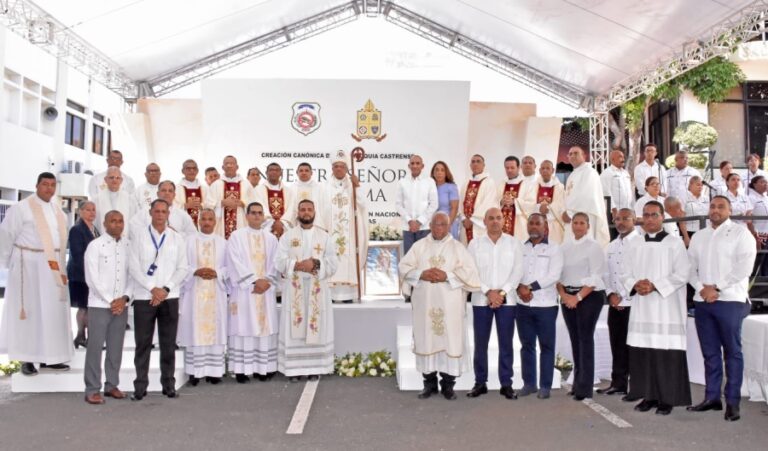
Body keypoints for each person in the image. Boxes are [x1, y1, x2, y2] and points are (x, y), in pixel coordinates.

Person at [687, 196, 757, 422]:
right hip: (703, 300)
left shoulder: (740, 234)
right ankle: (712, 398)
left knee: (732, 352)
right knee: (710, 353)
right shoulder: (699, 236)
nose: (715, 210)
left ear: (730, 210)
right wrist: (702, 288)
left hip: (731, 300)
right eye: (712, 206)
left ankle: (733, 402)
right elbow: (690, 268)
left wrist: (716, 287)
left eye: (720, 207)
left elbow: (744, 267)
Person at [399, 212, 481, 400]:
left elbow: (471, 274)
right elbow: (403, 267)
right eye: (436, 224)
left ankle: (448, 385)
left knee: (449, 341)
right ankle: (429, 384)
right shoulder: (419, 247)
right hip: (425, 306)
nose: (439, 228)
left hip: (450, 307)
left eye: (443, 224)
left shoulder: (458, 248)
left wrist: (447, 276)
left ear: (449, 226)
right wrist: (421, 274)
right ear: (430, 225)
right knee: (426, 339)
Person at [621, 201, 692, 415]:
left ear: (662, 217)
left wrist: (655, 286)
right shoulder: (634, 243)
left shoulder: (674, 243)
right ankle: (648, 396)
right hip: (642, 306)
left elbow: (682, 273)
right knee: (644, 352)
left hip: (666, 307)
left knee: (665, 353)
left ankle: (667, 399)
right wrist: (635, 284)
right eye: (646, 215)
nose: (650, 219)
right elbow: (624, 272)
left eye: (654, 215)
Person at [0, 172, 73, 376]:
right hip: (29, 266)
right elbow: (5, 235)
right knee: (31, 313)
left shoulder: (58, 211)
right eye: (45, 184)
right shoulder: (21, 209)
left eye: (52, 185)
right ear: (37, 185)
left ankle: (52, 357)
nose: (49, 188)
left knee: (52, 314)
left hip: (53, 269)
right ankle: (28, 358)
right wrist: (7, 262)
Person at [128, 199, 189, 400]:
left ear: (168, 213)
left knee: (168, 343)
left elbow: (183, 268)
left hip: (169, 297)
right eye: (157, 211)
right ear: (150, 212)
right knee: (143, 343)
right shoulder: (138, 237)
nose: (160, 214)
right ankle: (140, 385)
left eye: (164, 211)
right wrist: (152, 288)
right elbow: (134, 267)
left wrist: (165, 289)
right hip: (145, 297)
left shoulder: (176, 238)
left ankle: (168, 384)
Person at [275, 200, 339, 381]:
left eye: (309, 209)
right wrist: (297, 265)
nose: (306, 212)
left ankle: (315, 368)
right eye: (303, 209)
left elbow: (333, 263)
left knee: (315, 324)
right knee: (295, 325)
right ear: (298, 212)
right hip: (295, 288)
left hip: (317, 289)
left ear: (314, 212)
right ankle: (294, 370)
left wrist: (316, 264)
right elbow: (278, 261)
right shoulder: (288, 236)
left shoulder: (324, 237)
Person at [467, 208, 523, 399]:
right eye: (491, 218)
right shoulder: (475, 244)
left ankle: (506, 383)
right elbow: (470, 272)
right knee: (480, 343)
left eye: (498, 218)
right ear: (484, 221)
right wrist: (488, 292)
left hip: (507, 301)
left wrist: (501, 292)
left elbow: (518, 271)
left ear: (504, 220)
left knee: (506, 343)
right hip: (481, 299)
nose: (495, 221)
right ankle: (480, 382)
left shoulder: (513, 243)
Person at [83, 210, 132, 404]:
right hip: (99, 304)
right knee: (95, 347)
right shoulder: (95, 246)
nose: (117, 224)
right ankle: (92, 389)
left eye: (120, 221)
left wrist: (125, 299)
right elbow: (92, 278)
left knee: (115, 347)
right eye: (113, 221)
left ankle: (111, 385)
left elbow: (132, 275)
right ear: (105, 224)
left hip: (121, 305)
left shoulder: (129, 245)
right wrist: (112, 300)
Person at [226, 202, 280, 383]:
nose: (257, 216)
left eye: (260, 213)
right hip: (245, 292)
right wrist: (253, 281)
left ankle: (263, 369)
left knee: (264, 328)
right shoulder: (236, 236)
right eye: (253, 213)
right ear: (247, 216)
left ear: (263, 216)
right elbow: (233, 261)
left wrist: (267, 281)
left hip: (265, 291)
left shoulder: (271, 239)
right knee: (244, 326)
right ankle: (242, 370)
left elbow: (276, 263)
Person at [557, 212, 607, 400]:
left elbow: (596, 277)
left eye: (582, 223)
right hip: (567, 296)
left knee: (585, 339)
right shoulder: (564, 247)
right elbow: (558, 275)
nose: (578, 226)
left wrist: (577, 297)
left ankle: (585, 387)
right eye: (575, 223)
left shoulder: (594, 247)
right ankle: (577, 383)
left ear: (587, 226)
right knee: (575, 339)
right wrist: (564, 295)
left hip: (588, 296)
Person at [515, 213, 564, 399]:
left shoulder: (554, 249)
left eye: (538, 224)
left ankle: (545, 386)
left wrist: (529, 287)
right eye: (531, 223)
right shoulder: (520, 247)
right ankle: (529, 383)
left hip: (546, 305)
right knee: (526, 345)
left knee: (546, 346)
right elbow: (515, 271)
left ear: (545, 228)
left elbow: (553, 275)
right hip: (523, 304)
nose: (534, 227)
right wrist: (520, 287)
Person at [178, 209, 228, 386]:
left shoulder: (223, 243)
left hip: (216, 291)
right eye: (203, 219)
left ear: (215, 222)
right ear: (198, 221)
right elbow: (181, 265)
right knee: (195, 329)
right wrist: (195, 271)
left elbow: (229, 268)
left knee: (215, 329)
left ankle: (215, 372)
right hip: (194, 292)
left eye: (210, 219)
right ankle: (195, 372)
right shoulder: (188, 242)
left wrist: (218, 273)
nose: (206, 222)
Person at [596, 208, 640, 397]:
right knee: (617, 345)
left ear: (634, 220)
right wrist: (611, 294)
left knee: (634, 347)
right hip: (614, 304)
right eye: (618, 219)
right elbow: (605, 273)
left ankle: (637, 387)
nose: (621, 222)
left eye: (625, 219)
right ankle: (618, 383)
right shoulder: (611, 246)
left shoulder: (641, 244)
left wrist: (622, 295)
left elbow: (639, 273)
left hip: (634, 303)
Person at [322, 150, 367, 303]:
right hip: (330, 233)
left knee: (348, 259)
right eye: (336, 166)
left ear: (347, 168)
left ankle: (349, 294)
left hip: (350, 235)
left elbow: (363, 205)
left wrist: (357, 186)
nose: (339, 169)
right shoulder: (325, 187)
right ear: (332, 169)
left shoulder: (353, 184)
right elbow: (320, 210)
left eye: (342, 166)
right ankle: (332, 295)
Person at [67, 200, 100, 349]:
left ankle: (84, 337)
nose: (92, 212)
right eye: (88, 210)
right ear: (80, 211)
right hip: (80, 274)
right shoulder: (77, 229)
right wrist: (89, 273)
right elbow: (77, 254)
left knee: (89, 306)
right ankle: (81, 335)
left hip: (92, 273)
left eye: (93, 210)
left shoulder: (95, 228)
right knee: (83, 306)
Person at [562, 146, 610, 247]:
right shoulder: (573, 174)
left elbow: (586, 196)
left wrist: (570, 213)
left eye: (576, 153)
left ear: (584, 156)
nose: (572, 156)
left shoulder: (589, 172)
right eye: (570, 154)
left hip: (585, 215)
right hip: (572, 216)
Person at [396, 155, 438, 255]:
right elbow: (398, 204)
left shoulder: (429, 182)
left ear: (422, 166)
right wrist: (409, 221)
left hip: (424, 227)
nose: (415, 166)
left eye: (418, 163)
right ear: (409, 166)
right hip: (408, 227)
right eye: (412, 163)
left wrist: (419, 222)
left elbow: (434, 204)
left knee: (424, 258)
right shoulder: (402, 182)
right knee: (409, 258)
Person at [130, 181, 197, 240]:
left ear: (174, 195)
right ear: (158, 194)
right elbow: (132, 229)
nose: (167, 193)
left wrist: (176, 234)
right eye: (163, 190)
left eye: (170, 191)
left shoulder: (182, 215)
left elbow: (193, 235)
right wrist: (152, 232)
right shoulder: (145, 212)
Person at [208, 156, 253, 239]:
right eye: (226, 163)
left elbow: (254, 205)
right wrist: (221, 203)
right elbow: (208, 206)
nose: (229, 166)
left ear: (237, 167)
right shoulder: (215, 185)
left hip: (241, 225)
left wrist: (243, 204)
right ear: (222, 167)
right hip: (221, 229)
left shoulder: (246, 185)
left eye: (232, 163)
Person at [459, 155, 497, 245]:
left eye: (478, 161)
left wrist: (472, 220)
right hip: (465, 225)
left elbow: (488, 203)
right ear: (470, 165)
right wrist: (463, 218)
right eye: (473, 162)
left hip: (479, 226)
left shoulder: (489, 182)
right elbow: (461, 202)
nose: (475, 164)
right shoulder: (466, 182)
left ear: (484, 165)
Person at [525, 160, 566, 244]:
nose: (545, 171)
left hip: (552, 225)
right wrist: (538, 207)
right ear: (539, 171)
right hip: (535, 224)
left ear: (553, 170)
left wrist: (549, 208)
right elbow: (528, 202)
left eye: (548, 168)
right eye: (543, 168)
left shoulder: (559, 187)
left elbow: (561, 204)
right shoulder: (533, 186)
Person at [253, 162, 294, 240]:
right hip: (265, 226)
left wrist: (281, 222)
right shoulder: (258, 190)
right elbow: (258, 207)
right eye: (271, 170)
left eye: (277, 170)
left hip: (284, 227)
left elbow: (291, 209)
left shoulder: (289, 191)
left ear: (281, 173)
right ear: (266, 173)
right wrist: (271, 220)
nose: (274, 172)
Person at [94, 166, 135, 237]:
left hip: (124, 241)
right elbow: (94, 223)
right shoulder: (96, 199)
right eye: (111, 177)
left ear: (121, 180)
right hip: (102, 242)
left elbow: (133, 222)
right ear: (105, 179)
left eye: (117, 178)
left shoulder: (130, 199)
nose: (114, 180)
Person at [600, 149, 635, 223]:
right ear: (612, 159)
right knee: (614, 233)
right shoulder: (607, 173)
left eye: (623, 157)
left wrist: (632, 209)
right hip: (614, 212)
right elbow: (606, 192)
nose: (623, 159)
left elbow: (630, 191)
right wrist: (613, 209)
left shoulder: (625, 173)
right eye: (620, 157)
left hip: (627, 210)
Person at [289, 162, 326, 227]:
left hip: (315, 224)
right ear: (297, 173)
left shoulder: (319, 188)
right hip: (296, 223)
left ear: (311, 173)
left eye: (306, 170)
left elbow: (323, 208)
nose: (304, 173)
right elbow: (290, 208)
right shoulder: (291, 189)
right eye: (301, 171)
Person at [175, 159, 208, 229]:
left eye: (194, 168)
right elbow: (172, 206)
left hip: (202, 225)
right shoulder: (176, 189)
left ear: (197, 171)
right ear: (182, 171)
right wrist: (185, 206)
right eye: (188, 168)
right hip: (183, 225)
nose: (191, 171)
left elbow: (210, 205)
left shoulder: (205, 189)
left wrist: (201, 206)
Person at [430, 161, 460, 239]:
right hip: (434, 225)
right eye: (437, 170)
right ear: (433, 173)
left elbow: (454, 208)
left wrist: (447, 225)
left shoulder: (451, 187)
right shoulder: (430, 187)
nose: (439, 172)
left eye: (442, 170)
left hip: (448, 223)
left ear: (446, 173)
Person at [497, 156, 525, 237]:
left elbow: (531, 204)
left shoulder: (526, 184)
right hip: (501, 223)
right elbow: (494, 201)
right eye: (507, 168)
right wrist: (501, 201)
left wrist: (515, 202)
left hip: (518, 226)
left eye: (512, 168)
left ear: (519, 167)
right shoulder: (502, 183)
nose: (509, 170)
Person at [748, 176, 768, 246]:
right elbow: (748, 220)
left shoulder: (766, 198)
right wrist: (754, 236)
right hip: (759, 235)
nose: (765, 184)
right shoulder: (751, 198)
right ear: (755, 185)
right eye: (762, 182)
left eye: (766, 182)